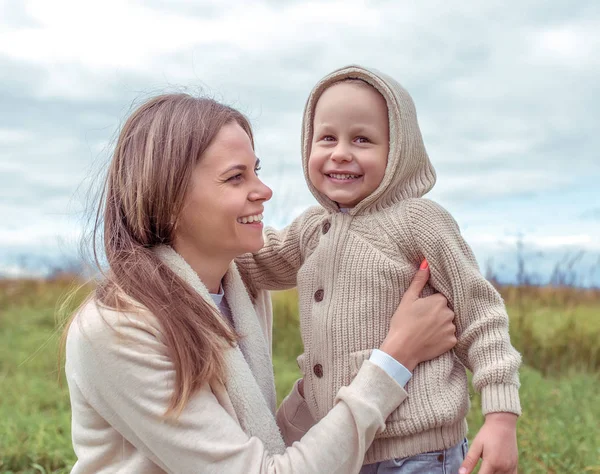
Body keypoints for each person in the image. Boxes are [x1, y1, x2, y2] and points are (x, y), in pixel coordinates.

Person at [63, 93, 458, 474]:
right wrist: (394, 360)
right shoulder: (117, 329)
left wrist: (327, 382)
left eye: (257, 170)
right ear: (168, 196)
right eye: (236, 177)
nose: (264, 191)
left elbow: (262, 439)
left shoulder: (240, 292)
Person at [236, 65, 522, 474]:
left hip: (415, 453)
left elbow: (482, 316)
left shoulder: (418, 220)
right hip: (339, 445)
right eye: (327, 138)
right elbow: (258, 260)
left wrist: (500, 417)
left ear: (398, 152)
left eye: (362, 140)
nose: (340, 152)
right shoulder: (312, 227)